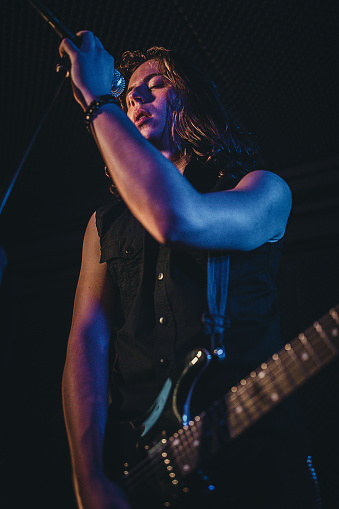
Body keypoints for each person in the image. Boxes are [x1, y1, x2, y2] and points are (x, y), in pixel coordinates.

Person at [60, 31, 321, 509]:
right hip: (136, 468)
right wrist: (88, 476)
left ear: (192, 101)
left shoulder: (262, 189)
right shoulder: (103, 226)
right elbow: (87, 341)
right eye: (128, 89)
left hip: (254, 467)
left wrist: (99, 99)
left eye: (156, 84)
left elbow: (177, 219)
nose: (135, 94)